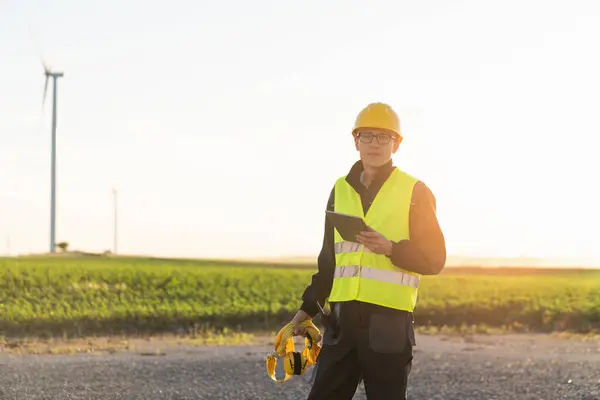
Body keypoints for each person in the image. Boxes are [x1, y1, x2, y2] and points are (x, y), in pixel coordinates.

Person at [291, 102, 446, 400]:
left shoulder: (416, 192)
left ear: (396, 144)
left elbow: (435, 259)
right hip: (341, 320)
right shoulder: (340, 189)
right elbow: (329, 259)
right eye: (367, 135)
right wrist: (308, 308)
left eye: (383, 137)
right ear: (355, 141)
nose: (374, 143)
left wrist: (391, 248)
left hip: (389, 322)